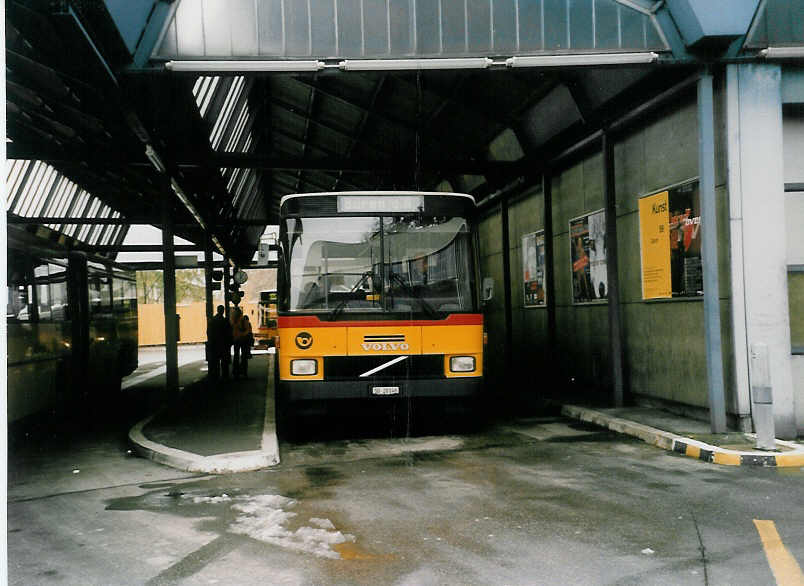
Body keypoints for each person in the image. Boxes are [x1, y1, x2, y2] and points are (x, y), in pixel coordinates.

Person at [206, 305, 232, 380]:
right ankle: (225, 377)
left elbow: (209, 332)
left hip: (215, 345)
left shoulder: (212, 320)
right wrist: (229, 343)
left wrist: (211, 342)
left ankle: (215, 377)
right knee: (225, 363)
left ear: (217, 310)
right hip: (224, 345)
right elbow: (229, 333)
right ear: (223, 311)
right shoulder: (225, 321)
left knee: (215, 362)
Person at [232, 309, 253, 379]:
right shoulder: (234, 320)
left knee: (238, 356)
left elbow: (247, 330)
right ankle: (241, 372)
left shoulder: (241, 320)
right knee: (241, 357)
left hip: (240, 340)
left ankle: (238, 372)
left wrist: (240, 335)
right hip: (239, 340)